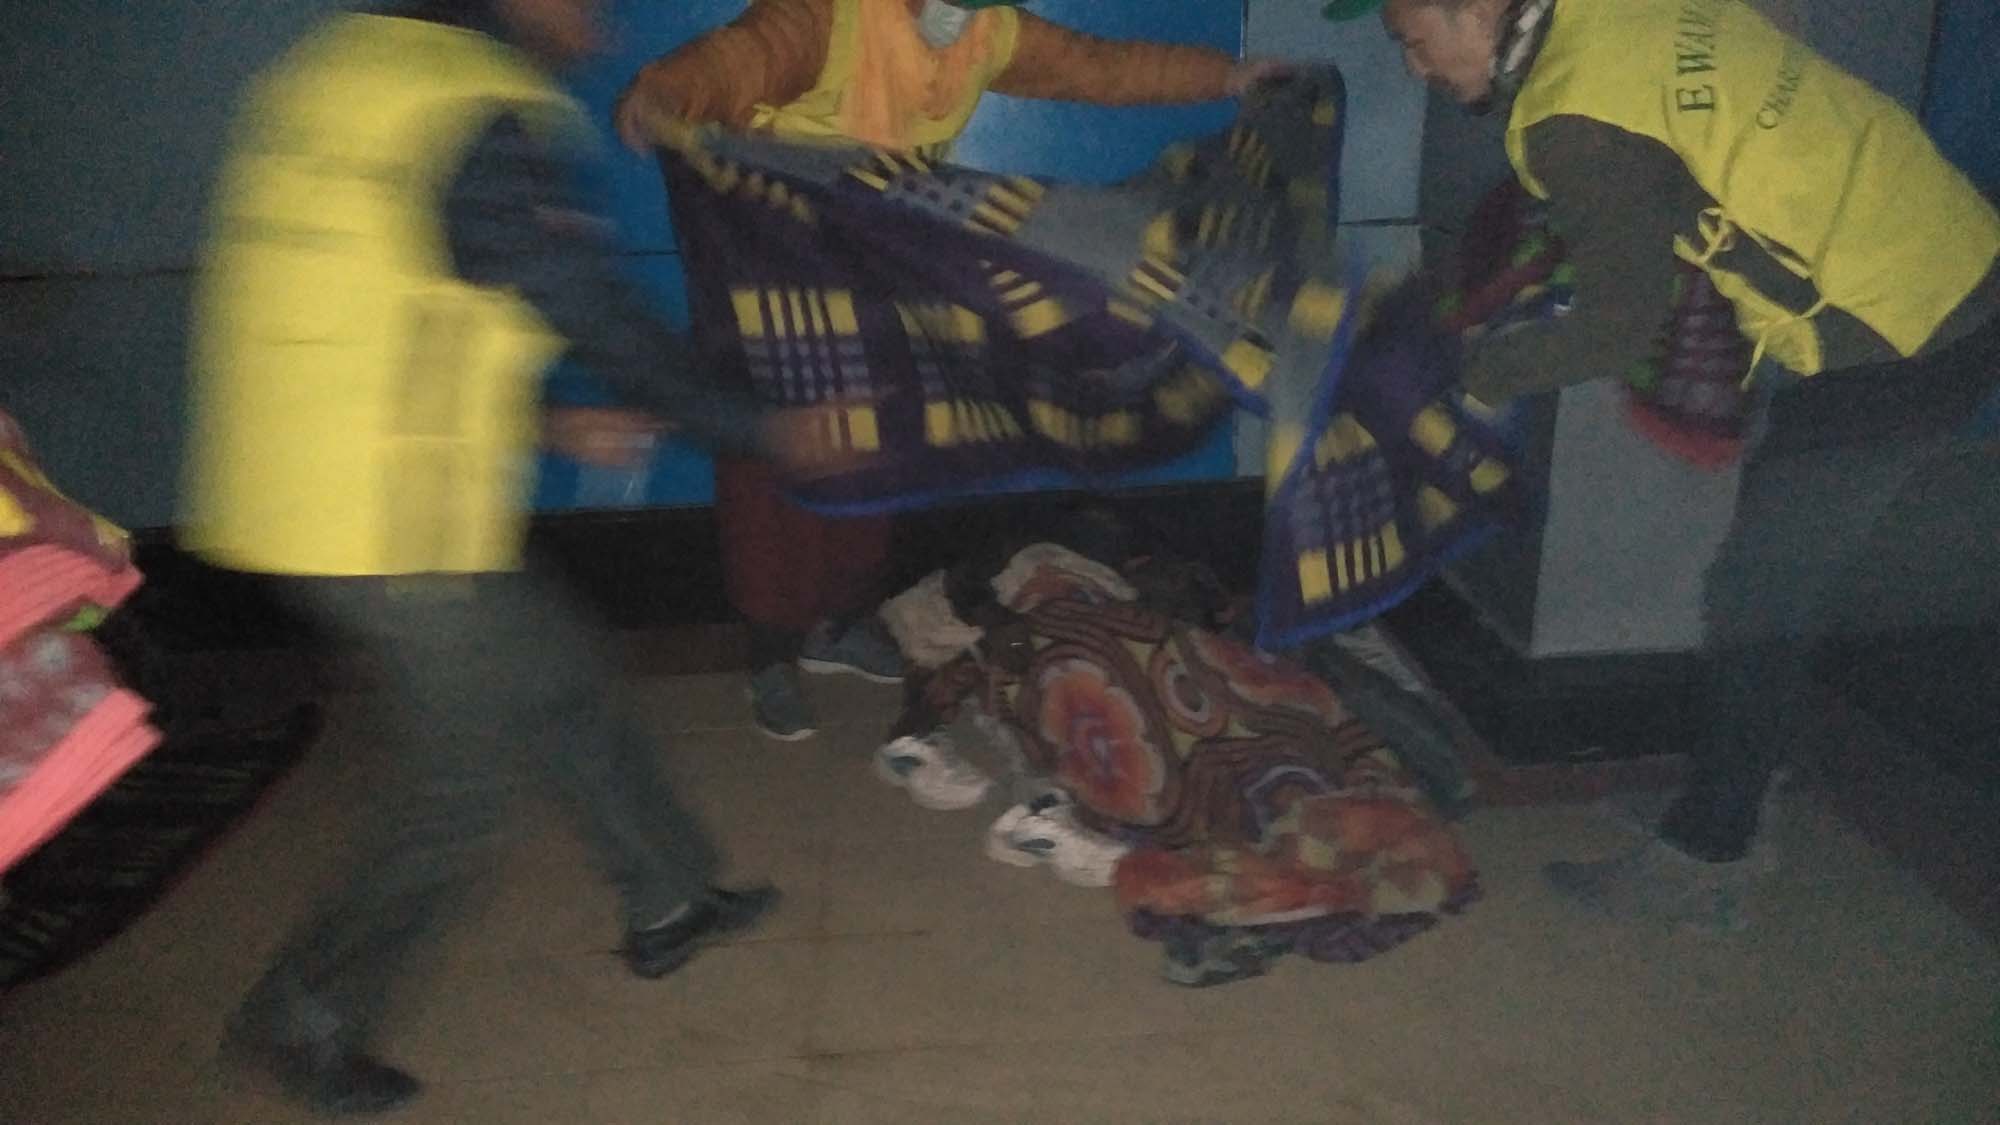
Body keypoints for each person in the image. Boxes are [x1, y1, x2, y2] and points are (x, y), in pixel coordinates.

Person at [183, 0, 845, 1113]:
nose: (598, 23)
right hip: (390, 523)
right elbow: (581, 300)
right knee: (464, 787)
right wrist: (760, 425)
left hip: (323, 486)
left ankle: (671, 898)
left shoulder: (342, 74)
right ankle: (304, 1014)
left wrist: (548, 421)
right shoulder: (468, 106)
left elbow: (372, 301)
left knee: (566, 683)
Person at [1381, 0, 2000, 929]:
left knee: (1759, 595)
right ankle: (1735, 781)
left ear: (1474, 11)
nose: (1415, 69)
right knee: (1766, 582)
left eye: (1415, 43)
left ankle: (1711, 851)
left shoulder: (1572, 119)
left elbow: (1615, 329)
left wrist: (1464, 372)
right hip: (1941, 239)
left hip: (1900, 325)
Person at [613, 0, 1288, 747]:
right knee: (772, 457)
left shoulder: (987, 30)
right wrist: (666, 91)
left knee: (876, 440)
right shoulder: (831, 15)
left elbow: (1100, 67)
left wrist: (1230, 76)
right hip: (776, 265)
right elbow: (744, 55)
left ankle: (837, 622)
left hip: (877, 270)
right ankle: (769, 651)